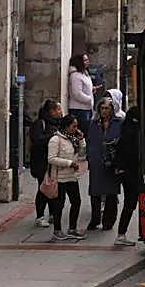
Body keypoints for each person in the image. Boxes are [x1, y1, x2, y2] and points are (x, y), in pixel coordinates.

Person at [47, 114, 87, 241]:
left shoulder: (73, 139)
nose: (76, 129)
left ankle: (72, 228)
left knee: (76, 201)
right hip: (59, 177)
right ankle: (57, 230)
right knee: (59, 204)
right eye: (73, 126)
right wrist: (69, 163)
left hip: (72, 177)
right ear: (66, 126)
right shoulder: (55, 139)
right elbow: (51, 158)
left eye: (77, 126)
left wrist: (81, 140)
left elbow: (81, 154)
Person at [86, 97, 123, 230]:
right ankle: (95, 219)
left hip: (112, 162)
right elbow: (90, 141)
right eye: (101, 108)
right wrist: (90, 158)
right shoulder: (94, 123)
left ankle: (108, 221)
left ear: (112, 109)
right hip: (96, 161)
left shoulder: (119, 123)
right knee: (95, 191)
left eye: (107, 108)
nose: (104, 111)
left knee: (111, 193)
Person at [29, 99, 62, 227]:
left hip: (54, 162)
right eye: (58, 109)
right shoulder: (39, 124)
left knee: (53, 189)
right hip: (41, 162)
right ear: (51, 111)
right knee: (43, 189)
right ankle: (40, 215)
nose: (60, 112)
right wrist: (53, 137)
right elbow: (37, 140)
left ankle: (53, 214)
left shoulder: (58, 123)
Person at [113, 106, 142, 246]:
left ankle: (121, 233)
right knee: (130, 203)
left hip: (127, 173)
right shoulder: (134, 134)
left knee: (130, 203)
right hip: (132, 173)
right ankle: (121, 234)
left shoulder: (125, 131)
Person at [68, 53, 94, 135]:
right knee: (82, 132)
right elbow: (77, 94)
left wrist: (91, 90)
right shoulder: (75, 75)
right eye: (85, 60)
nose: (87, 62)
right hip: (79, 109)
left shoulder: (85, 73)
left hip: (87, 108)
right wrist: (89, 99)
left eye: (87, 60)